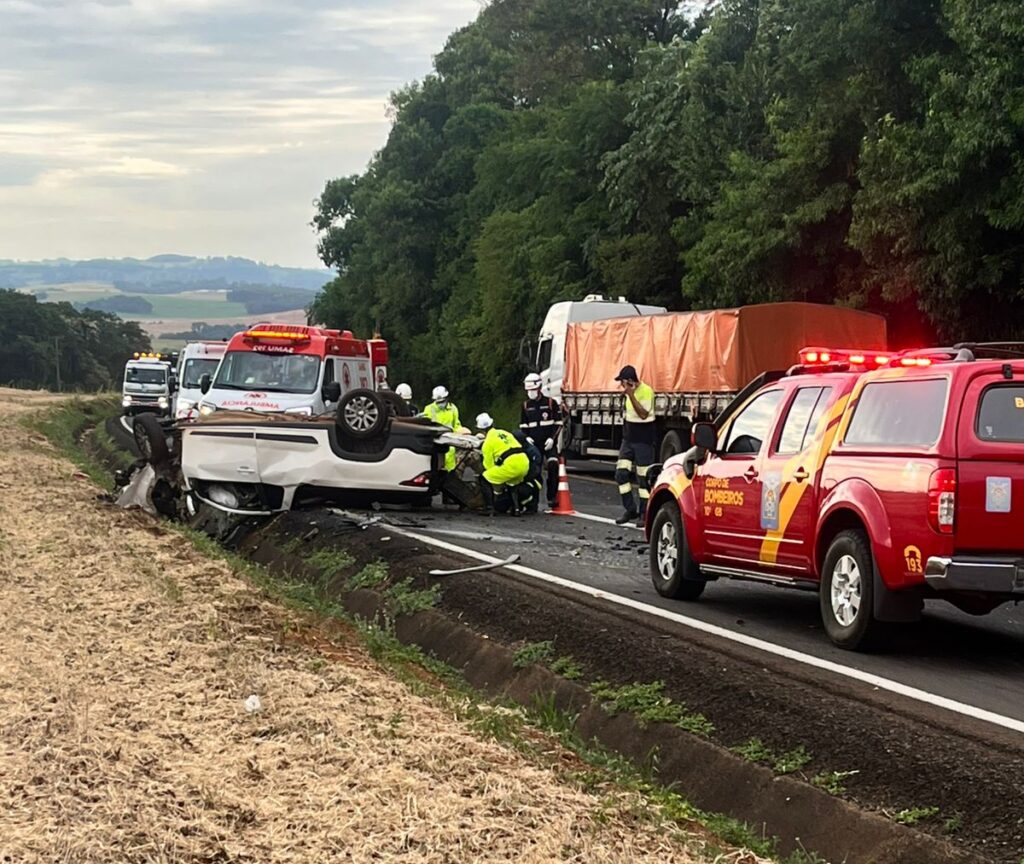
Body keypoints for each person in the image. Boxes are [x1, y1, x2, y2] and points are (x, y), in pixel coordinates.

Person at [614, 365, 656, 526]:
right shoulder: (627, 395)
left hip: (643, 441)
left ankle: (644, 514)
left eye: (623, 382)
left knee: (643, 479)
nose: (621, 385)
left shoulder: (646, 391)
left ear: (629, 381)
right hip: (628, 440)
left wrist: (631, 395)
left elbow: (643, 414)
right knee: (621, 474)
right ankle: (630, 509)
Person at [519, 372, 562, 509]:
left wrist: (552, 439)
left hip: (548, 442)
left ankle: (552, 496)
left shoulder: (550, 403)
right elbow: (523, 426)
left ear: (539, 388)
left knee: (553, 465)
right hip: (534, 444)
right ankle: (533, 502)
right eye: (528, 390)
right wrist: (526, 438)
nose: (530, 393)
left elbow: (558, 423)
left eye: (533, 390)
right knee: (533, 471)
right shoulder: (525, 406)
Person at [476, 413, 531, 516]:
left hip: (511, 465)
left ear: (481, 430)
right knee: (512, 483)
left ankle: (489, 508)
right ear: (492, 424)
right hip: (524, 462)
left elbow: (489, 466)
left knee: (484, 478)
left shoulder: (487, 442)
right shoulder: (505, 433)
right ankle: (516, 509)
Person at [423, 385, 460, 471]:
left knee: (450, 473)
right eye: (438, 402)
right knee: (436, 471)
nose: (441, 404)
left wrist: (461, 432)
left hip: (450, 446)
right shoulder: (428, 409)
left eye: (442, 401)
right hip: (435, 446)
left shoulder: (453, 409)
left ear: (447, 398)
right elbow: (426, 428)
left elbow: (456, 425)